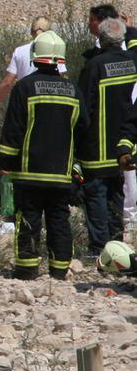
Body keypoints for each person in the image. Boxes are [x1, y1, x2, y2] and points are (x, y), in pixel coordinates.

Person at [0, 31, 78, 280]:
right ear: (61, 60)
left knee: (29, 218)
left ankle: (27, 269)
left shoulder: (24, 87)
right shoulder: (73, 91)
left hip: (29, 172)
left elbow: (13, 129)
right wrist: (79, 167)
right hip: (61, 174)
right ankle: (59, 270)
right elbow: (83, 129)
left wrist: (4, 163)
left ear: (35, 57)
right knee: (59, 220)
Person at [76, 14, 136, 258]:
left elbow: (84, 107)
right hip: (127, 146)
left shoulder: (94, 66)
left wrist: (77, 140)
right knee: (117, 193)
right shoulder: (134, 61)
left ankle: (99, 248)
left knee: (96, 195)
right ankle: (117, 245)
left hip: (97, 146)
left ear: (100, 38)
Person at [0, 17, 63, 126]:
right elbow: (61, 77)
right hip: (49, 104)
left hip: (25, 101)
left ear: (31, 31)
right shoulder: (56, 51)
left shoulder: (20, 51)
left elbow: (7, 83)